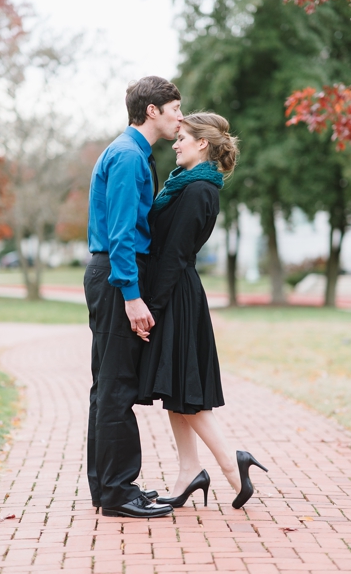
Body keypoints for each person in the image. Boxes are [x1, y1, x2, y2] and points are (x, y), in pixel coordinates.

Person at [137, 112, 267, 509]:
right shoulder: (185, 184)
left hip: (175, 295)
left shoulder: (199, 191)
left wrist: (151, 308)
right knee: (175, 391)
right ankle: (189, 471)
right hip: (173, 291)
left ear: (202, 145)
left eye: (183, 138)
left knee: (187, 396)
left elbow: (175, 254)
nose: (175, 144)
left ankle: (232, 465)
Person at [84, 76, 183, 518]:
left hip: (113, 273)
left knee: (107, 387)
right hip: (116, 275)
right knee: (117, 388)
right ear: (152, 111)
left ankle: (108, 487)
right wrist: (131, 294)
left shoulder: (130, 153)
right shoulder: (127, 157)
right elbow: (123, 233)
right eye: (175, 109)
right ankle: (117, 492)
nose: (180, 117)